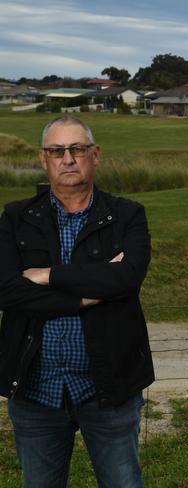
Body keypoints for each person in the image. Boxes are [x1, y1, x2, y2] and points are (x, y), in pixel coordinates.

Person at [0, 116, 154, 488]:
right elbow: (7, 291)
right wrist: (85, 297)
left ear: (95, 155)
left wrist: (49, 275)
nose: (67, 158)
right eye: (57, 151)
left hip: (109, 390)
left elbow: (127, 278)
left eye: (77, 149)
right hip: (37, 390)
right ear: (43, 159)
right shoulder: (16, 218)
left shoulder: (127, 214)